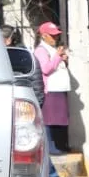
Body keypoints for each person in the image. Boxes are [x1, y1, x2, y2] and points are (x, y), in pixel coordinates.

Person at [33, 22, 71, 153]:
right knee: (49, 119)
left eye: (56, 36)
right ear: (44, 36)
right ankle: (51, 146)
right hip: (50, 89)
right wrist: (57, 57)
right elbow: (46, 69)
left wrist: (62, 59)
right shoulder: (41, 50)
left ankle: (60, 145)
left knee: (60, 119)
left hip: (59, 88)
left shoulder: (52, 48)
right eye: (52, 36)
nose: (55, 38)